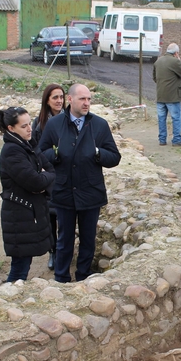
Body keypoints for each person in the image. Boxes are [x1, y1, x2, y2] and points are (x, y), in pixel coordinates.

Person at [39, 84, 121, 283]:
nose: (86, 103)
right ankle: (61, 278)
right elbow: (41, 152)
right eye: (82, 99)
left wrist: (98, 153)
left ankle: (84, 276)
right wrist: (56, 154)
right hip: (64, 191)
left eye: (89, 99)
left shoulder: (99, 125)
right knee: (64, 239)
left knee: (88, 239)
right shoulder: (55, 124)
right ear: (70, 99)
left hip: (90, 191)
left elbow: (114, 157)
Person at [0, 106, 55, 283]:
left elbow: (51, 170)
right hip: (19, 215)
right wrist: (42, 180)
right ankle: (9, 302)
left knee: (23, 264)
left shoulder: (28, 144)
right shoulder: (12, 151)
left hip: (29, 211)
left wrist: (42, 179)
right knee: (19, 268)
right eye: (24, 126)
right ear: (11, 128)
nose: (30, 128)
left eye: (30, 124)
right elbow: (35, 181)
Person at [32, 83, 65, 270]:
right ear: (47, 100)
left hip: (66, 175)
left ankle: (63, 250)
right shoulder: (39, 123)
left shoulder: (70, 119)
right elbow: (35, 149)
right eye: (55, 97)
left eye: (61, 97)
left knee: (65, 216)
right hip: (48, 176)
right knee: (50, 216)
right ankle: (53, 251)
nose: (59, 101)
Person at [153, 43, 181, 147]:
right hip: (173, 96)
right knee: (176, 118)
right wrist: (179, 60)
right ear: (176, 53)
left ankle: (162, 139)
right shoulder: (175, 62)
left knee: (161, 118)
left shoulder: (158, 61)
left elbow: (154, 77)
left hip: (160, 95)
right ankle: (176, 140)